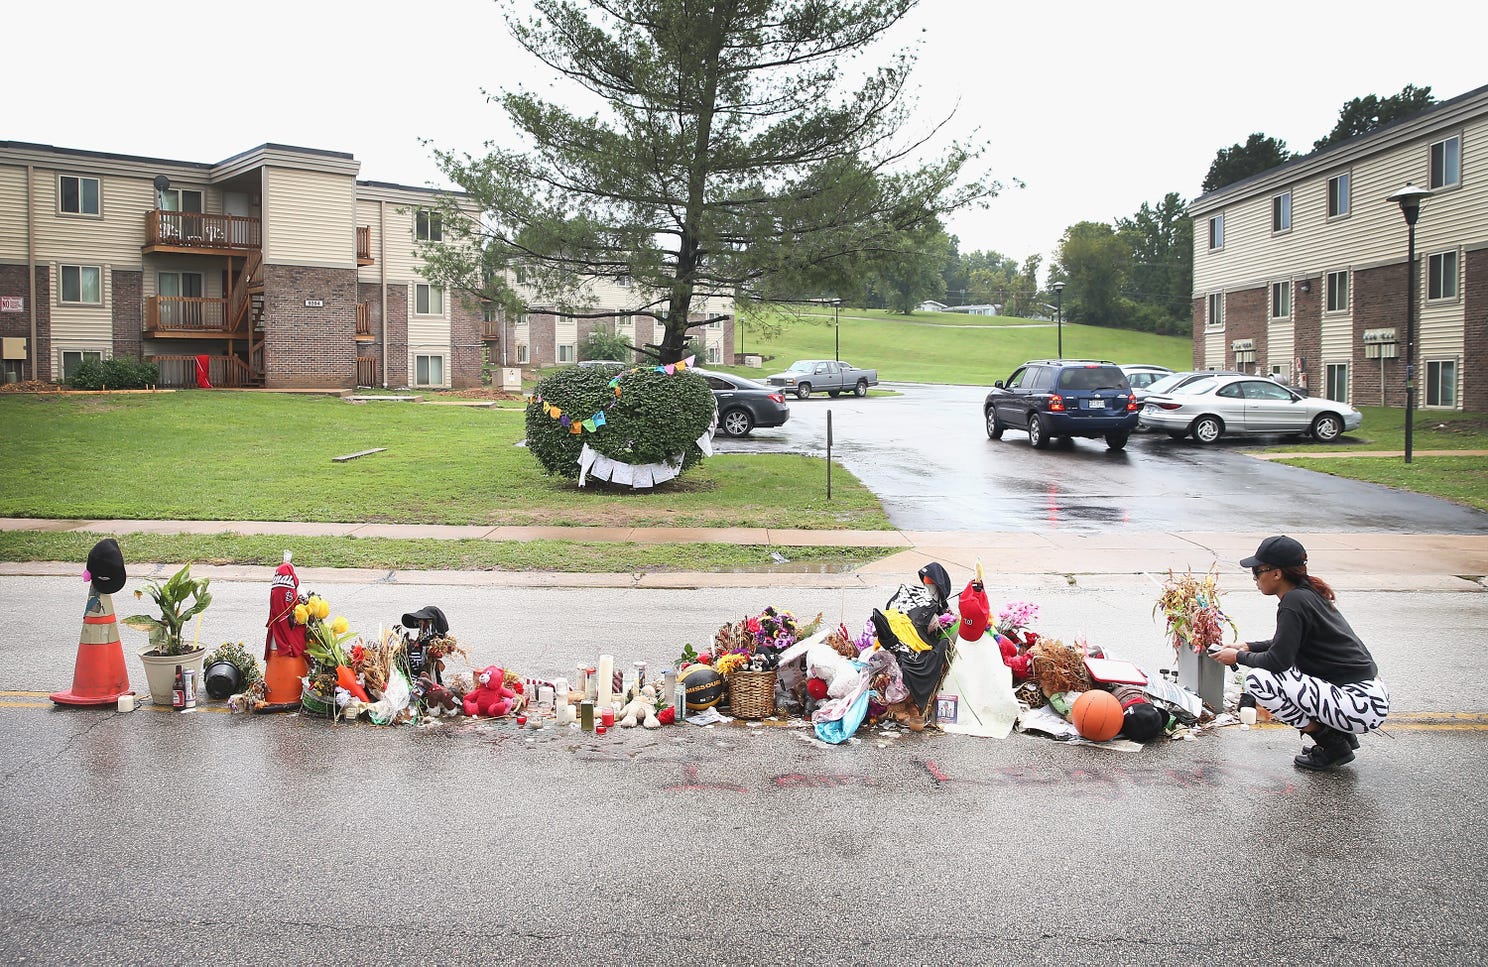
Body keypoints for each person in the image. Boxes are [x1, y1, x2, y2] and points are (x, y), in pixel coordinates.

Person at [1211, 535, 1389, 771]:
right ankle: (1341, 734)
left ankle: (1331, 743)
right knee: (1285, 674)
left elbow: (1278, 660)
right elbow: (1287, 644)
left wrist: (1238, 658)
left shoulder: (1293, 601)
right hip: (1366, 697)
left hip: (1360, 704)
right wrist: (1248, 646)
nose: (1254, 578)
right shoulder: (1306, 593)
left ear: (1277, 574)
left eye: (1257, 570)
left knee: (1258, 681)